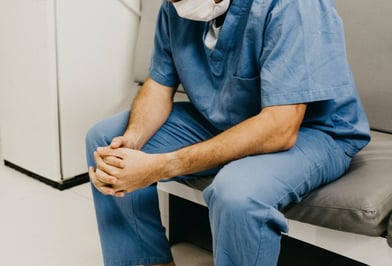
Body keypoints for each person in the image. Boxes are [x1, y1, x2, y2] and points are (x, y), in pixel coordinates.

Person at [86, 0, 371, 265]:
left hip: (314, 130)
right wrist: (131, 142)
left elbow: (280, 128)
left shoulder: (292, 5)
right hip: (227, 116)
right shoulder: (177, 6)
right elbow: (159, 84)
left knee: (236, 194)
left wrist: (161, 165)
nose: (175, 4)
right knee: (107, 141)